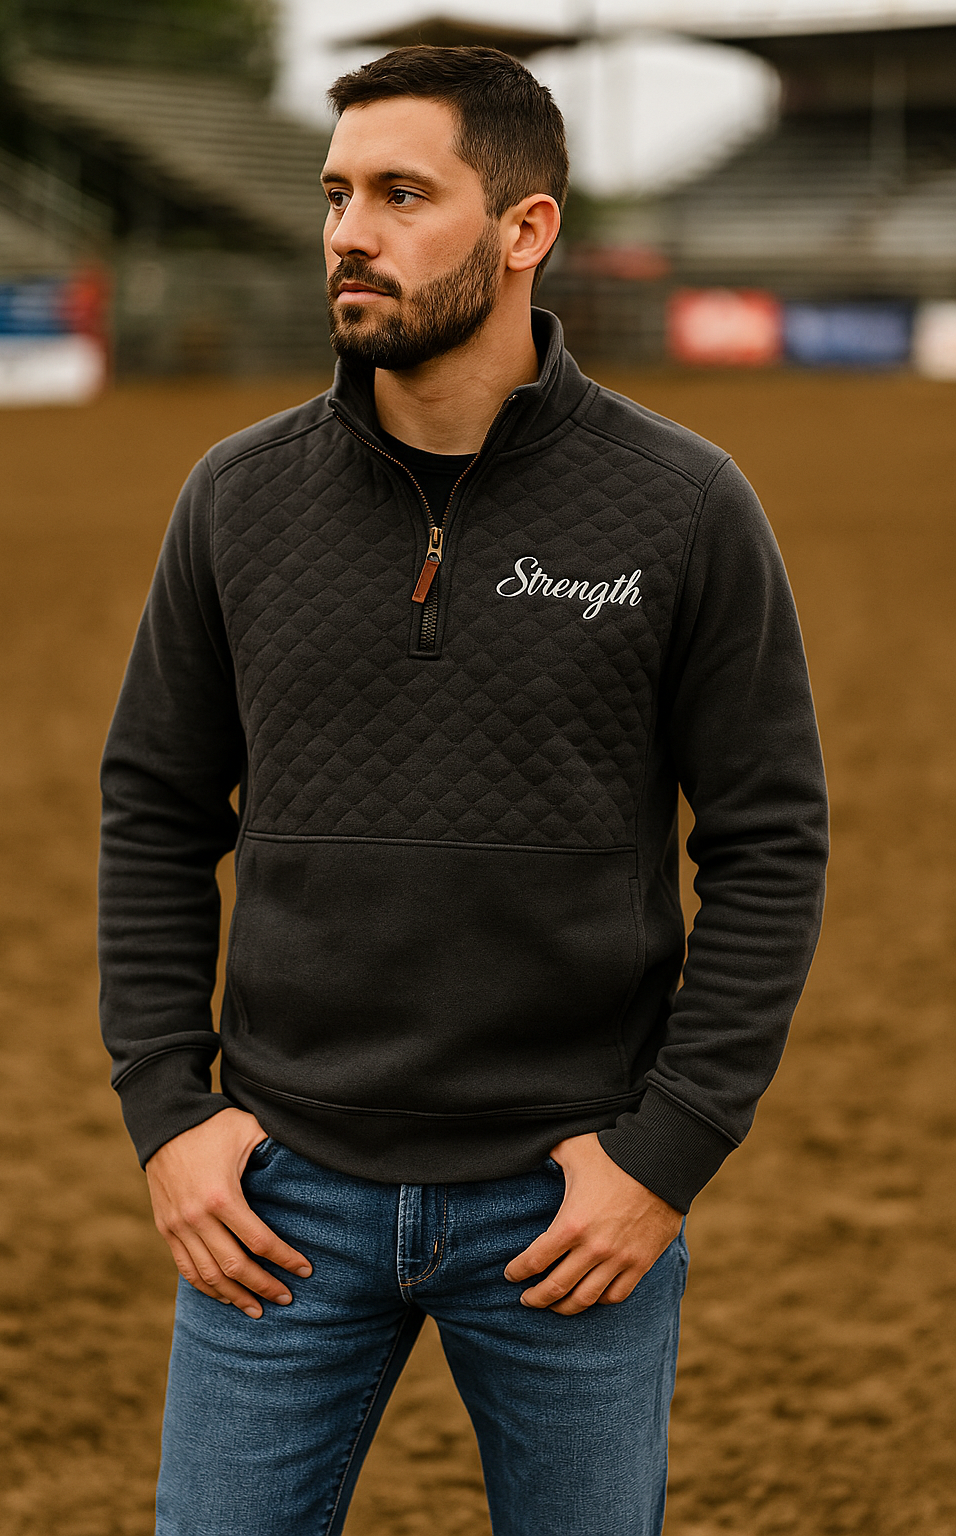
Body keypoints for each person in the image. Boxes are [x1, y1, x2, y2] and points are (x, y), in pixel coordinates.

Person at [98, 45, 829, 1536]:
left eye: (401, 193)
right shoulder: (234, 501)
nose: (348, 232)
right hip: (278, 1206)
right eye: (336, 194)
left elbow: (769, 844)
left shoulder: (685, 505)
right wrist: (170, 1113)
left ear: (524, 230)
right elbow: (155, 813)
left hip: (568, 1208)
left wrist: (663, 1158)